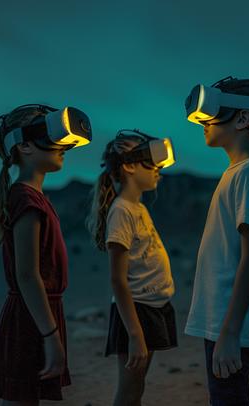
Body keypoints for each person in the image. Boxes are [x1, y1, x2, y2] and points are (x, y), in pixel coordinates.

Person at [184, 76, 249, 405]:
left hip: (231, 329)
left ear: (242, 118)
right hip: (222, 324)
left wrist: (229, 333)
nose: (203, 122)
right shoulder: (237, 171)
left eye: (211, 113)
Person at [0, 104, 91, 405]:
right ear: (25, 145)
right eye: (50, 134)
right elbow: (28, 275)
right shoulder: (26, 200)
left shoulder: (35, 198)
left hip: (38, 314)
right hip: (30, 321)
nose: (63, 146)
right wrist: (50, 335)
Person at [87, 129, 177, 406]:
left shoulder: (138, 208)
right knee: (129, 389)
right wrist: (135, 335)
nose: (158, 171)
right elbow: (118, 280)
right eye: (152, 164)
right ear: (129, 166)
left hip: (152, 307)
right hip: (135, 312)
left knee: (138, 386)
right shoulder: (122, 211)